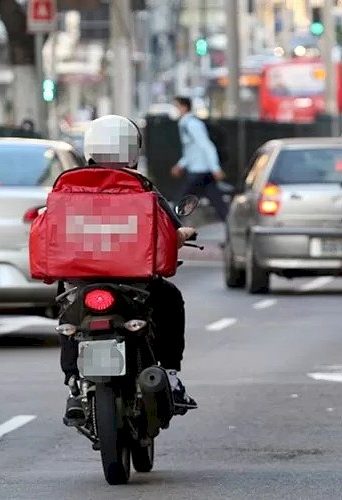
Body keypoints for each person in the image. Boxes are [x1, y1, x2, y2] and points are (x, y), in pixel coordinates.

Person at [59, 114, 199, 425]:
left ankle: (73, 384)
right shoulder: (139, 186)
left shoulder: (70, 185)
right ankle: (172, 377)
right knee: (170, 300)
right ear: (133, 151)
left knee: (68, 316)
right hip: (133, 282)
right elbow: (169, 230)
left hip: (81, 280)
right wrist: (184, 234)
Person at [171, 96, 229, 221]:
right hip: (200, 171)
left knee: (180, 201)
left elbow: (206, 145)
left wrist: (215, 168)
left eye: (177, 107)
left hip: (199, 171)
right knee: (217, 201)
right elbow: (191, 150)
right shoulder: (185, 124)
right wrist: (181, 164)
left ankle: (171, 228)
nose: (176, 110)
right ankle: (230, 223)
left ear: (184, 107)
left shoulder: (192, 124)